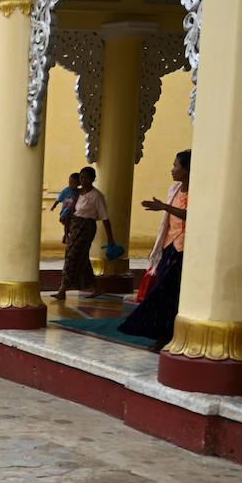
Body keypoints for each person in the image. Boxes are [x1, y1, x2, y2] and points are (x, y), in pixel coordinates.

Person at [120, 150, 192, 351]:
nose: (172, 169)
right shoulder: (175, 190)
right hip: (170, 247)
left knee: (169, 293)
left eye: (176, 166)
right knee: (161, 290)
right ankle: (160, 334)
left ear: (186, 170)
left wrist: (163, 207)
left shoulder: (198, 190)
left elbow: (192, 215)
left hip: (185, 249)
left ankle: (167, 336)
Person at [54, 166, 116, 300]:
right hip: (75, 227)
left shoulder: (97, 196)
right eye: (81, 177)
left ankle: (62, 289)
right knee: (81, 258)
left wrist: (111, 239)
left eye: (86, 177)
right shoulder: (77, 193)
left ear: (93, 179)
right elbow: (70, 209)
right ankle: (96, 287)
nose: (83, 180)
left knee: (72, 257)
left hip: (86, 228)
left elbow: (105, 218)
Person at [52, 172, 80, 244]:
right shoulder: (66, 190)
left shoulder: (79, 192)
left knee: (73, 225)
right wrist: (54, 206)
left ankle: (70, 235)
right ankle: (66, 235)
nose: (71, 184)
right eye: (70, 182)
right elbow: (59, 199)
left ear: (78, 183)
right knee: (67, 223)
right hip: (66, 212)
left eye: (73, 183)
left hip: (74, 213)